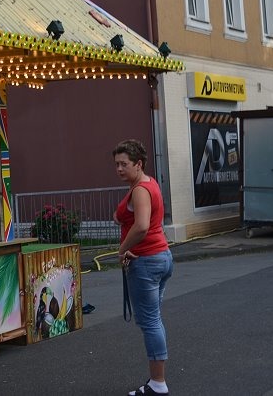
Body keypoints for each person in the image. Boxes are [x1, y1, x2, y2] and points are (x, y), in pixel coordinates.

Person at [112, 139, 173, 396]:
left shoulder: (139, 190)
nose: (119, 168)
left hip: (146, 260)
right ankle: (157, 380)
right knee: (153, 319)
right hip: (161, 257)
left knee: (150, 322)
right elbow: (130, 218)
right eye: (116, 164)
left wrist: (122, 249)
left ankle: (158, 383)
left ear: (138, 164)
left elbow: (142, 226)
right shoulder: (147, 184)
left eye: (124, 164)